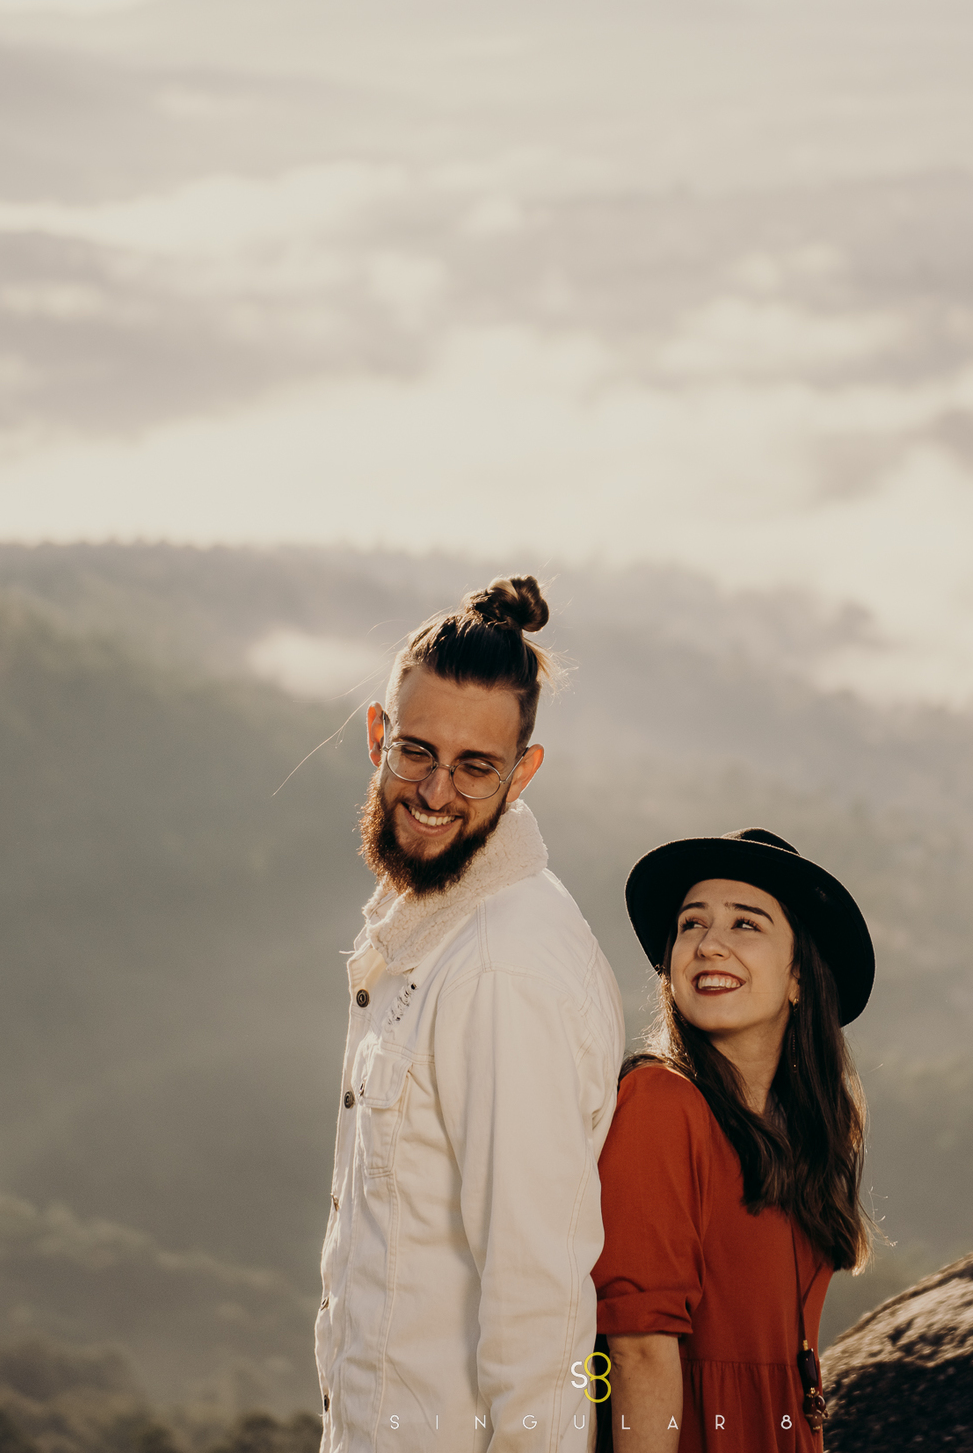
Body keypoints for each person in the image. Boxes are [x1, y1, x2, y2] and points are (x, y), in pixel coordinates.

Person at [316, 576, 625, 1453]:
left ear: (522, 774)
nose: (435, 792)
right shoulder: (427, 925)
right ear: (376, 736)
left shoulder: (502, 969)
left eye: (476, 767)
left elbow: (542, 1311)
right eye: (415, 752)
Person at [593, 827, 875, 1452]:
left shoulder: (801, 1139)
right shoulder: (660, 1104)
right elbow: (639, 1350)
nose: (708, 944)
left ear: (799, 976)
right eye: (691, 924)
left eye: (745, 924)